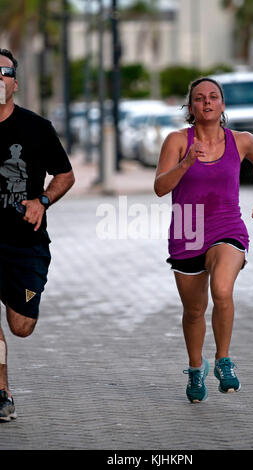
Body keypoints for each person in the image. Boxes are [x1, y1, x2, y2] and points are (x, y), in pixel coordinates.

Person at [154, 77, 253, 403]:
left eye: (213, 97)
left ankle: (223, 360)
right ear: (191, 107)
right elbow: (161, 187)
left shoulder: (242, 141)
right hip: (187, 231)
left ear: (222, 104)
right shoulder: (177, 141)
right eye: (200, 98)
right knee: (194, 311)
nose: (207, 102)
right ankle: (195, 367)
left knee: (222, 289)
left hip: (227, 227)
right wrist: (187, 161)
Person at [0, 49, 75, 421]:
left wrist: (42, 200)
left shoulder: (36, 127)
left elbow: (65, 175)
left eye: (4, 71)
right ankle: (1, 391)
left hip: (25, 242)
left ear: (16, 82)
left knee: (21, 326)